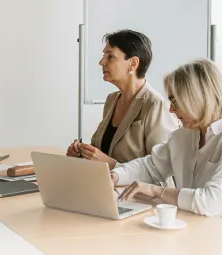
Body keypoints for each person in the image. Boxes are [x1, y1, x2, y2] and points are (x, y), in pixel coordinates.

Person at [113, 59, 222, 235]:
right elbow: (151, 166)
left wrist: (156, 191)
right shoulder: (186, 135)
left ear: (197, 98)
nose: (171, 110)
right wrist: (114, 176)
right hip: (202, 229)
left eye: (175, 101)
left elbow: (212, 202)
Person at [67, 30, 178, 168]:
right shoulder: (112, 100)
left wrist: (110, 164)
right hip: (105, 186)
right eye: (103, 56)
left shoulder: (156, 105)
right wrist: (83, 153)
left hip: (133, 189)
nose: (102, 62)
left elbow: (162, 170)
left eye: (110, 56)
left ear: (133, 63)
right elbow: (102, 152)